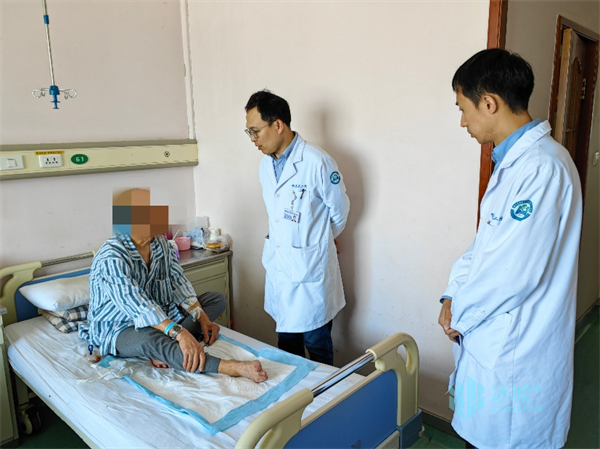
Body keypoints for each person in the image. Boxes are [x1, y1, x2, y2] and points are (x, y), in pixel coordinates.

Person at [438, 49, 582, 448]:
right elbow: (484, 246)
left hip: (517, 351)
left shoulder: (542, 168)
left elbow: (513, 273)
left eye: (463, 109)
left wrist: (459, 316)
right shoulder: (515, 164)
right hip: (493, 339)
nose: (463, 121)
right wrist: (452, 294)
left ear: (489, 103)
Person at [79, 188, 268, 383]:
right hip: (121, 326)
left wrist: (201, 317)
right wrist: (180, 333)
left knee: (216, 300)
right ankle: (230, 367)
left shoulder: (160, 243)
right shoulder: (112, 257)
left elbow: (178, 282)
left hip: (161, 317)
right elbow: (139, 307)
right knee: (148, 339)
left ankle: (163, 345)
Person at [244, 90, 350, 365]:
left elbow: (340, 211)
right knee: (287, 346)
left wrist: (321, 241)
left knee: (317, 346)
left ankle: (326, 393)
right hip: (281, 267)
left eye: (255, 131)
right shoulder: (265, 166)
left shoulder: (317, 161)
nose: (253, 139)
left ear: (278, 124)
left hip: (310, 270)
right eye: (249, 132)